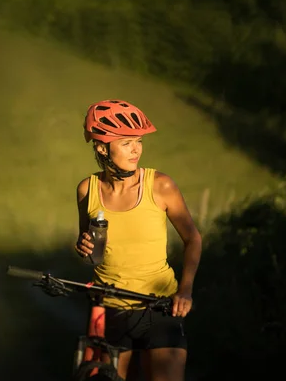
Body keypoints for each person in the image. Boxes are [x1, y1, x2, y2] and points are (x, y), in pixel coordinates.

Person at [75, 99, 202, 381]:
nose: (136, 150)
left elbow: (192, 238)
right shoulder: (87, 189)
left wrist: (185, 290)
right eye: (126, 142)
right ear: (101, 147)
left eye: (139, 141)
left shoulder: (160, 186)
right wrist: (82, 247)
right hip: (110, 308)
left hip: (159, 306)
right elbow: (87, 250)